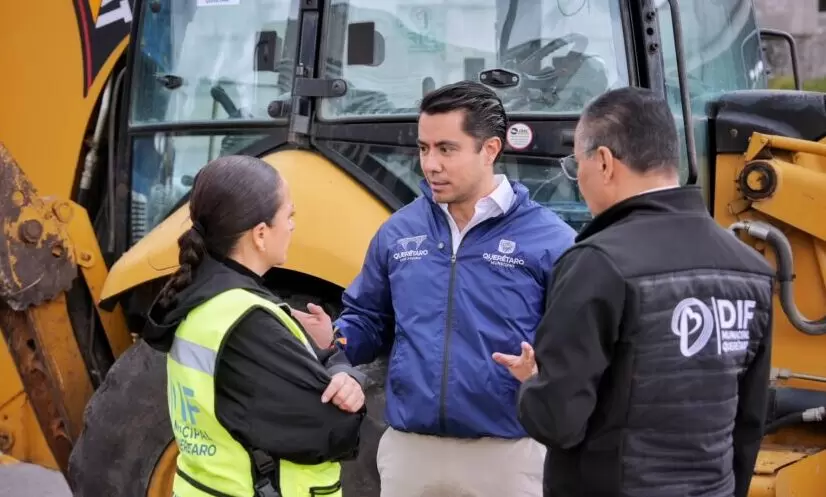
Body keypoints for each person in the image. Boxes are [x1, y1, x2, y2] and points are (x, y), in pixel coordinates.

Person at [292, 80, 577, 497]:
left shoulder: (550, 240)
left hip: (510, 454)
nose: (431, 164)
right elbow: (369, 318)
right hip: (411, 453)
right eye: (424, 149)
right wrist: (335, 337)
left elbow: (580, 347)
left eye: (447, 149)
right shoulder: (399, 231)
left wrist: (542, 374)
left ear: (491, 150)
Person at [494, 87, 774, 497]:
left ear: (604, 161)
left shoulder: (598, 262)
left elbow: (558, 421)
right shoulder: (750, 269)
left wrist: (533, 382)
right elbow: (749, 424)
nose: (579, 179)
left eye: (578, 164)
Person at [142, 155, 366, 497]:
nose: (292, 226)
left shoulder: (200, 300)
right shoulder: (250, 322)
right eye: (288, 216)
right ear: (260, 234)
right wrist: (333, 355)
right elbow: (334, 429)